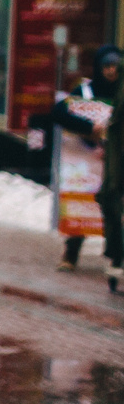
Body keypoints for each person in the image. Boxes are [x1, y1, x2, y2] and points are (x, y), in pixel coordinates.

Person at [51, 44, 120, 275]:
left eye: (115, 67)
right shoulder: (86, 92)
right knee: (82, 203)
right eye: (107, 66)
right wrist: (90, 127)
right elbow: (59, 112)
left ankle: (115, 258)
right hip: (88, 163)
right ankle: (71, 252)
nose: (111, 72)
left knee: (114, 208)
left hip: (118, 161)